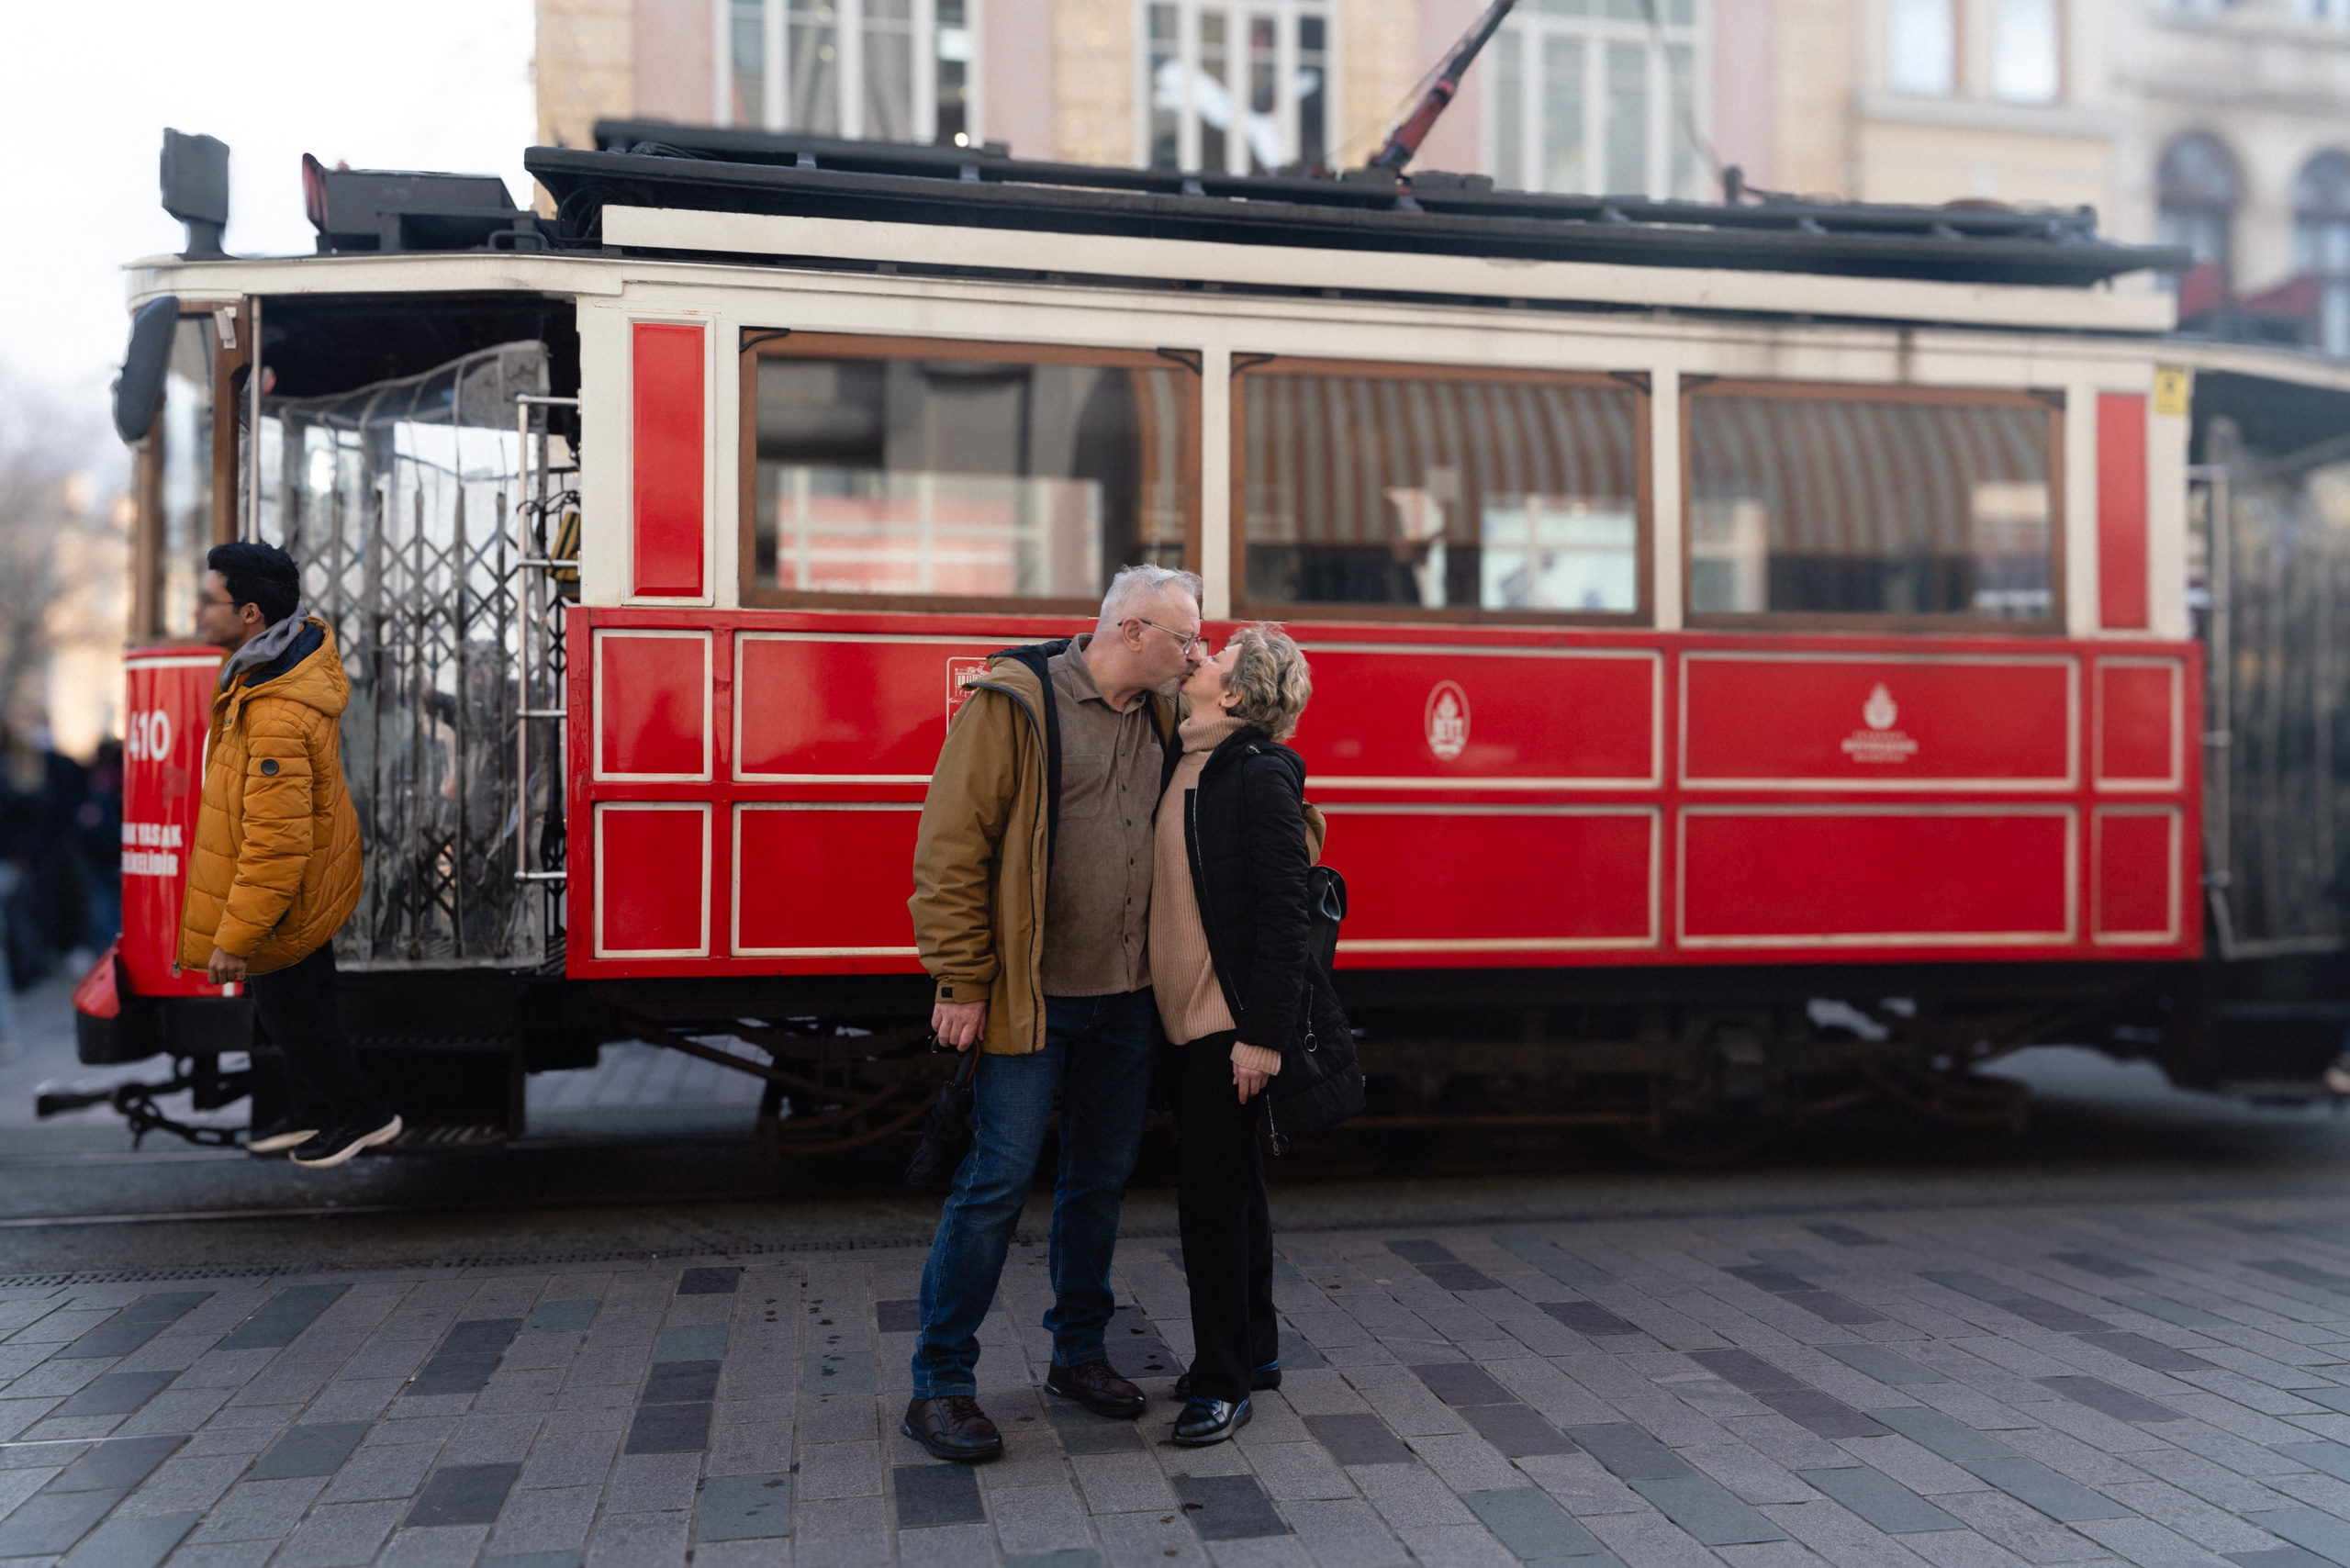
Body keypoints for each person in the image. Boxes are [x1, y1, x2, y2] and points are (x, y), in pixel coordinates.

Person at [901, 564, 1204, 1462]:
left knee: (1098, 1181)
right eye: (1186, 639)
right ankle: (939, 1383)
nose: (1198, 656)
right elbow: (951, 848)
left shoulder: (1164, 713)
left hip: (1127, 998)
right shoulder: (1016, 704)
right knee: (996, 1184)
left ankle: (1078, 1354)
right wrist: (960, 980)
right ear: (1133, 631)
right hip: (1031, 1000)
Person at [1154, 624, 1336, 1446]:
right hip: (1184, 1017)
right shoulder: (1187, 758)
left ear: (1233, 694)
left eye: (1220, 655)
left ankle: (1222, 1384)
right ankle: (1254, 1353)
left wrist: (1261, 1038)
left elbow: (1286, 917)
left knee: (1211, 1206)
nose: (1203, 653)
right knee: (1238, 1191)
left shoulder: (1256, 773)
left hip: (1222, 1024)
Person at [181, 542, 396, 1168]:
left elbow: (276, 841)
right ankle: (313, 1111)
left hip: (286, 896)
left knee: (292, 1016)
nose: (197, 612)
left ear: (249, 613)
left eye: (207, 600)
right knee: (305, 1007)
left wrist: (236, 937)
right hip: (300, 887)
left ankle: (364, 1116)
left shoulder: (273, 708)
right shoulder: (261, 678)